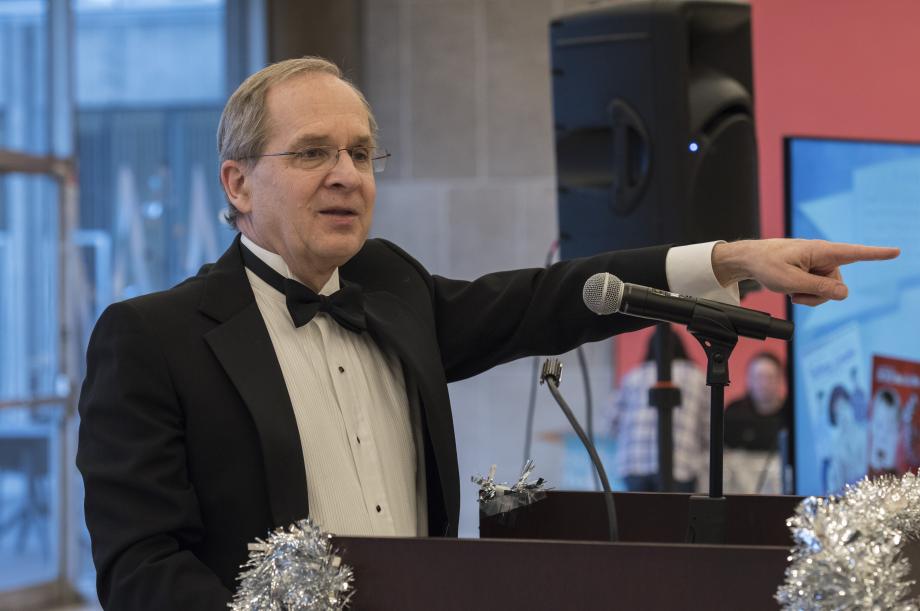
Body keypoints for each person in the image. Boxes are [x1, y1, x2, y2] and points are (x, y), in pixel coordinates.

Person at [75, 56, 900, 610]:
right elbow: (141, 568)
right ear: (238, 183)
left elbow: (550, 298)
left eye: (363, 152)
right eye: (313, 152)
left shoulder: (389, 285)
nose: (347, 175)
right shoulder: (152, 338)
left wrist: (729, 257)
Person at [607, 329, 709, 492]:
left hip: (634, 463)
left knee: (640, 517)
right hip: (680, 462)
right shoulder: (696, 377)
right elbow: (709, 425)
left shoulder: (633, 376)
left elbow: (611, 422)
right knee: (675, 516)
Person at [723, 352, 790, 493]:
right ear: (749, 379)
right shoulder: (734, 412)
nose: (763, 384)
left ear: (780, 380)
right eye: (759, 377)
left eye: (769, 378)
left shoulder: (790, 414)